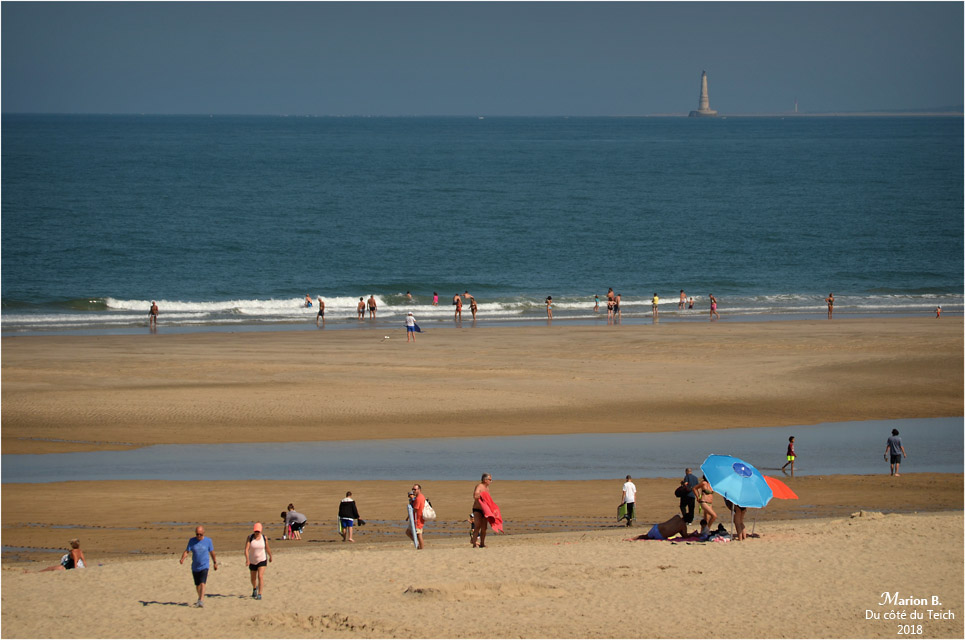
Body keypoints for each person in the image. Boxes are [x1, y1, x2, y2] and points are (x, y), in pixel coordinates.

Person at [179, 526, 217, 608]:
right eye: (197, 534)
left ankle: (201, 600)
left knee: (202, 583)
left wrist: (215, 562)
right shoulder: (192, 541)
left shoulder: (208, 541)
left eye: (200, 534)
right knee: (197, 585)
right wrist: (182, 558)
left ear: (203, 533)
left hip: (205, 565)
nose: (198, 536)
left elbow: (212, 552)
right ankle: (199, 598)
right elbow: (187, 551)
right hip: (195, 567)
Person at [245, 523, 272, 599]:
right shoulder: (250, 537)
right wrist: (247, 559)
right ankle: (254, 588)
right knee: (253, 578)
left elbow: (267, 548)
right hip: (252, 560)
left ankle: (260, 593)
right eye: (256, 531)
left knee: (260, 576)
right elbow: (246, 549)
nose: (257, 533)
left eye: (258, 531)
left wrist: (270, 556)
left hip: (262, 559)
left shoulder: (264, 538)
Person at [472, 473, 497, 547]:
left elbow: (488, 500)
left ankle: (482, 543)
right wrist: (482, 495)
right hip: (477, 509)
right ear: (485, 480)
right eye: (490, 480)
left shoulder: (487, 488)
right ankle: (474, 544)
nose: (491, 481)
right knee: (477, 526)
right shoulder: (479, 486)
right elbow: (475, 496)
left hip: (485, 510)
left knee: (484, 528)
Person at [406, 484, 426, 549]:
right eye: (413, 489)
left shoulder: (419, 498)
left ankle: (421, 548)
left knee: (419, 534)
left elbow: (415, 509)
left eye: (415, 489)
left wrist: (409, 515)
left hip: (418, 519)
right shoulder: (418, 497)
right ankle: (417, 545)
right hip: (414, 519)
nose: (413, 491)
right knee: (408, 532)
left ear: (419, 490)